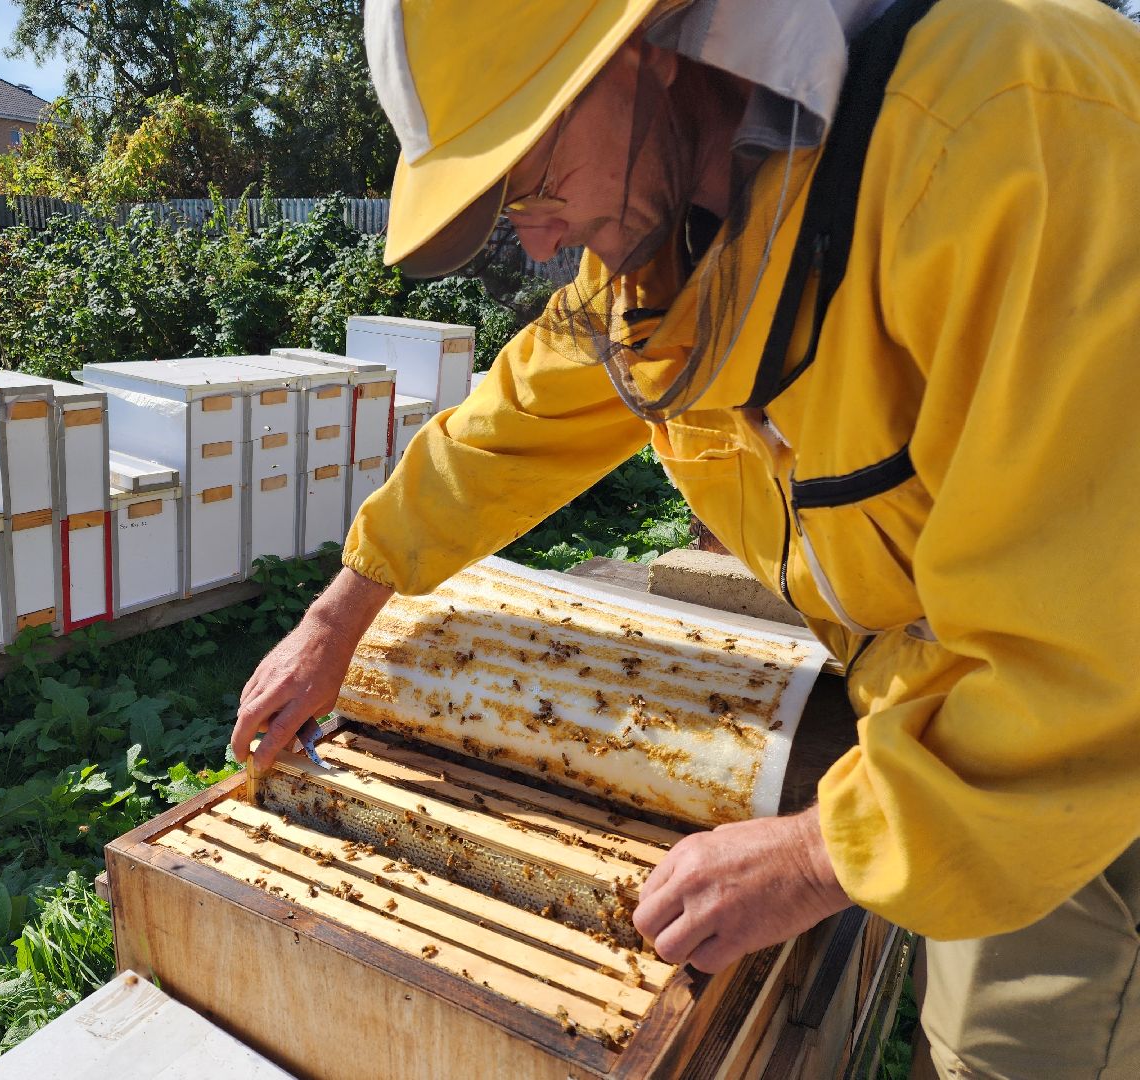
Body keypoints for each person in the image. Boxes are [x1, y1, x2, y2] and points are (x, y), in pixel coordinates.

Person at [231, 0, 1140, 1074]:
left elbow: (1092, 660)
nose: (539, 237)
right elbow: (508, 424)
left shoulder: (1013, 131)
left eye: (532, 174)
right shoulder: (674, 234)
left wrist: (816, 853)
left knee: (1009, 1051)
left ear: (643, 51)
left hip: (1083, 746)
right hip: (959, 717)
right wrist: (342, 610)